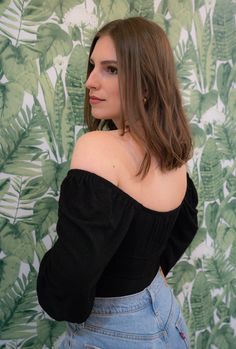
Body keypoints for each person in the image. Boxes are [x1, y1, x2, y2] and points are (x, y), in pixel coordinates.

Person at [37, 17, 198, 349]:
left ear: (147, 84)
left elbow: (68, 285)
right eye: (93, 66)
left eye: (111, 69)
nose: (90, 82)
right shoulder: (172, 152)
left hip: (113, 330)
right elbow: (184, 226)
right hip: (165, 315)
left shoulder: (97, 146)